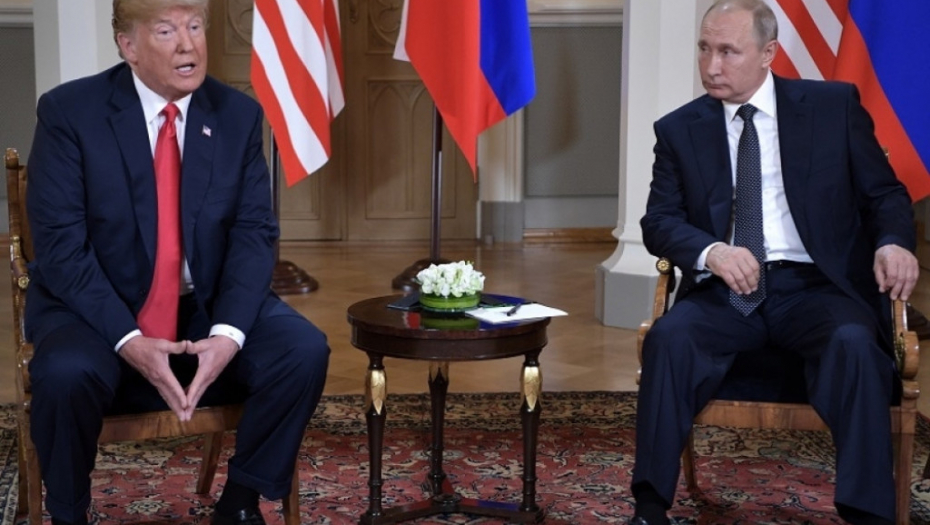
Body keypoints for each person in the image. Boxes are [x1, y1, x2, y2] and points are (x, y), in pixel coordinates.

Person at [24, 1, 330, 524]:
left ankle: (239, 502)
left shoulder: (236, 116)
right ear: (128, 46)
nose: (188, 44)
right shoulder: (69, 114)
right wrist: (128, 339)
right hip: (97, 309)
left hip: (201, 306)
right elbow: (60, 250)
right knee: (65, 374)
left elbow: (254, 235)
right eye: (166, 30)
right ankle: (69, 513)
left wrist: (228, 334)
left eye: (194, 26)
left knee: (301, 351)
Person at [630, 1, 918, 524]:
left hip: (817, 287)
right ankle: (649, 508)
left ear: (768, 54)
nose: (711, 66)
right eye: (704, 49)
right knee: (668, 339)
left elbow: (885, 194)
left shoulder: (832, 107)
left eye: (728, 52)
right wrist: (713, 252)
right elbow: (659, 221)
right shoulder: (679, 129)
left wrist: (894, 243)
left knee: (854, 346)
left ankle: (867, 514)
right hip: (726, 290)